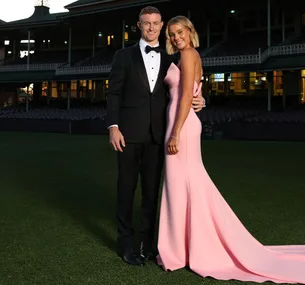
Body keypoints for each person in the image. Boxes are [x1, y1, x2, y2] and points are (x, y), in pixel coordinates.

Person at [156, 15, 305, 285]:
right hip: (183, 120)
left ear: (190, 31)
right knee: (189, 187)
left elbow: (186, 95)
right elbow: (194, 92)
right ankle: (189, 249)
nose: (176, 37)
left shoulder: (188, 54)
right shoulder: (191, 55)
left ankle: (182, 252)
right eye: (172, 34)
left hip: (181, 126)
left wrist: (175, 131)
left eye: (180, 32)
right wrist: (200, 100)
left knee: (180, 187)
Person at [106, 7, 205, 267]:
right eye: (146, 23)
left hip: (159, 135)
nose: (151, 28)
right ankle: (126, 246)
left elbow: (187, 87)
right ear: (139, 25)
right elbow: (114, 94)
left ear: (162, 27)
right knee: (126, 190)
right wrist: (113, 126)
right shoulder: (123, 56)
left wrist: (201, 98)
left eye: (156, 23)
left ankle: (147, 245)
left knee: (151, 193)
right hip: (127, 133)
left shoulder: (173, 56)